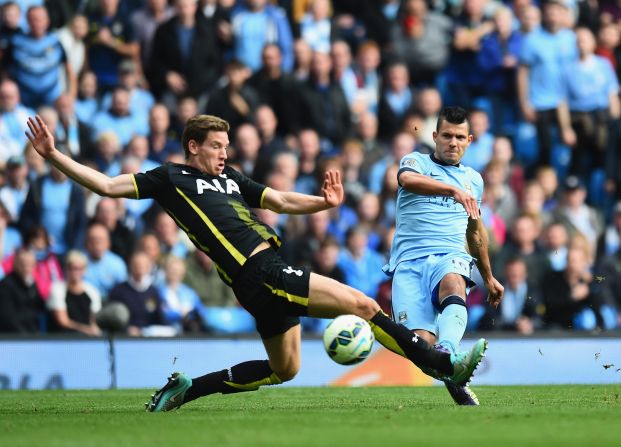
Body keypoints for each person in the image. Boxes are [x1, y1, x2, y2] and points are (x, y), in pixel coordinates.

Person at [25, 113, 487, 413]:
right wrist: (54, 155)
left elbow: (280, 200)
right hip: (259, 270)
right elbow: (106, 186)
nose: (225, 153)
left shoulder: (231, 179)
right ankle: (442, 365)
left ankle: (186, 390)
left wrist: (323, 203)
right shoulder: (168, 178)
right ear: (192, 146)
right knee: (363, 305)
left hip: (261, 278)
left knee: (284, 371)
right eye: (216, 146)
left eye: (227, 145)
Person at [384, 106, 504, 406]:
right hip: (408, 262)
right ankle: (451, 372)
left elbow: (476, 233)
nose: (453, 142)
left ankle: (448, 350)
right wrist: (452, 190)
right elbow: (407, 181)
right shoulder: (415, 161)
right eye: (447, 135)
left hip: (449, 254)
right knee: (421, 347)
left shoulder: (474, 181)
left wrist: (488, 277)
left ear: (470, 140)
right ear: (435, 136)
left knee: (454, 282)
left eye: (460, 137)